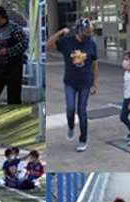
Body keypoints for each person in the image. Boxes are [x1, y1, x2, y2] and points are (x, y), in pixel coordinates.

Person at [47, 18, 98, 152]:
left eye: (90, 33)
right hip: (70, 82)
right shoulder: (67, 42)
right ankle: (70, 126)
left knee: (82, 111)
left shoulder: (91, 44)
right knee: (70, 108)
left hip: (85, 83)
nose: (88, 35)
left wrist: (95, 84)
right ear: (79, 30)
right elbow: (49, 44)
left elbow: (94, 65)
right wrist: (60, 32)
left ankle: (83, 140)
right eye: (86, 32)